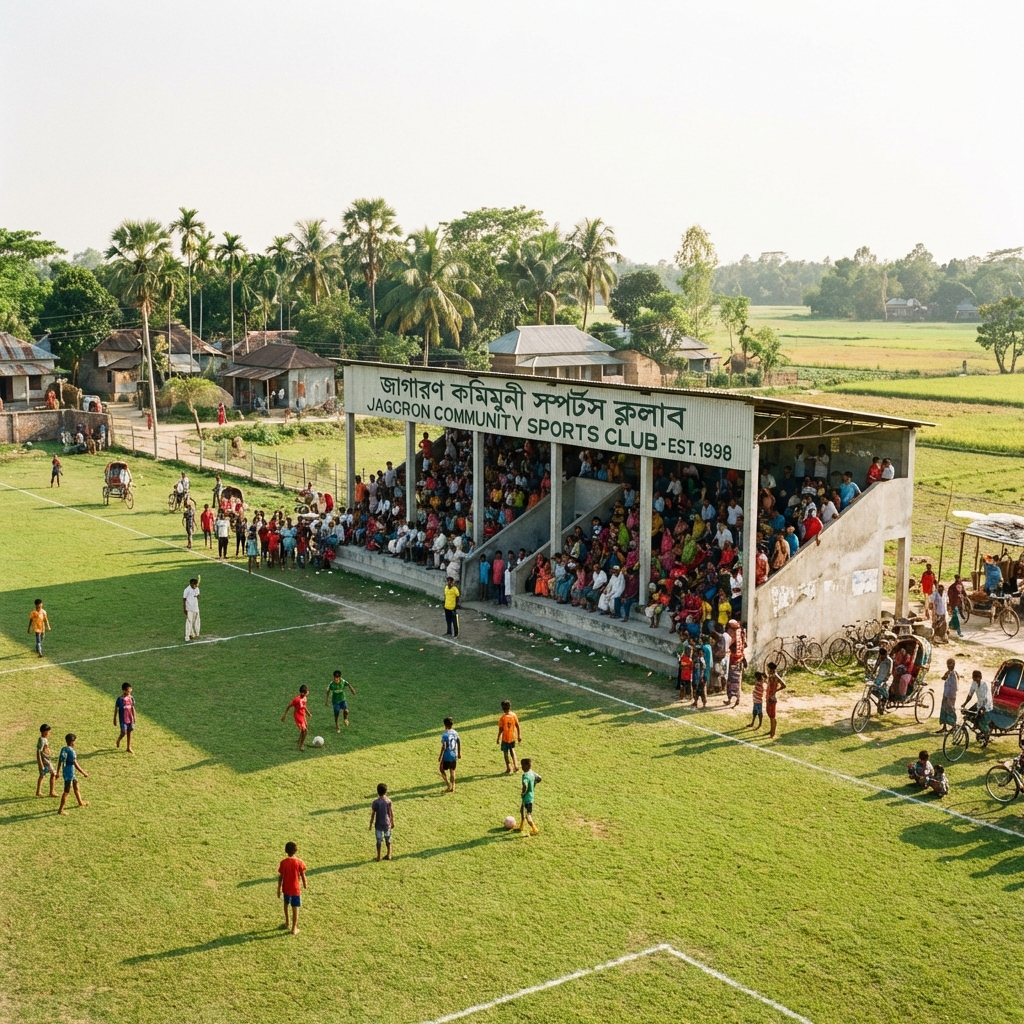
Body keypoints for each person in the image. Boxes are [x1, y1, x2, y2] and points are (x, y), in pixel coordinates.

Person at [277, 841, 307, 935]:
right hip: (295, 889)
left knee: (286, 904)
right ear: (296, 850)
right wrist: (305, 883)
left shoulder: (283, 863)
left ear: (286, 851)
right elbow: (302, 874)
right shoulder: (299, 862)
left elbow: (281, 876)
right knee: (295, 907)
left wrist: (279, 888)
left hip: (286, 888)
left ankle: (287, 922)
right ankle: (294, 928)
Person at [56, 733, 88, 815]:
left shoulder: (63, 749)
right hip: (70, 773)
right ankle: (60, 810)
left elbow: (60, 760)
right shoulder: (71, 752)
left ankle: (80, 802)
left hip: (66, 771)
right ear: (72, 742)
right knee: (66, 791)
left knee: (76, 785)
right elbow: (75, 763)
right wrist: (83, 772)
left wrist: (58, 771)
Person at [369, 783, 395, 862]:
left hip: (378, 825)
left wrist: (370, 824)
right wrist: (392, 822)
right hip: (387, 824)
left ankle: (378, 856)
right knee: (388, 839)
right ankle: (389, 854)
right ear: (386, 791)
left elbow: (373, 814)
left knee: (379, 841)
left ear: (377, 792)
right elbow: (391, 813)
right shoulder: (388, 801)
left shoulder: (376, 802)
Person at [282, 685, 311, 751]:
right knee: (305, 731)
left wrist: (308, 713)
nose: (308, 692)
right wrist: (284, 715)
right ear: (303, 693)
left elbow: (304, 706)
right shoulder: (296, 700)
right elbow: (289, 706)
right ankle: (301, 745)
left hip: (302, 714)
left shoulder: (305, 698)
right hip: (298, 716)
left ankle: (299, 740)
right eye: (307, 691)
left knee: (306, 726)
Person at [496, 700, 521, 773]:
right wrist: (519, 736)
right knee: (512, 750)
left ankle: (508, 768)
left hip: (505, 738)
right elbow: (517, 726)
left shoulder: (503, 718)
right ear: (510, 707)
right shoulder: (514, 715)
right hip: (512, 737)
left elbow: (501, 729)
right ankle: (515, 765)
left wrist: (498, 738)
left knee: (505, 753)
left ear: (502, 708)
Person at [519, 757, 541, 835]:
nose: (521, 767)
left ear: (526, 766)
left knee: (528, 815)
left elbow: (525, 785)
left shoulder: (525, 775)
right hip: (531, 796)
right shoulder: (532, 772)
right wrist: (533, 785)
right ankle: (521, 826)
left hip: (526, 798)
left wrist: (523, 793)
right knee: (522, 811)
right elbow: (539, 778)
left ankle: (535, 829)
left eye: (522, 765)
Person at [439, 716, 460, 792]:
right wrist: (459, 753)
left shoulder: (445, 735)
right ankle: (453, 786)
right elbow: (458, 742)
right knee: (452, 770)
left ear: (445, 725)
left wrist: (440, 756)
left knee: (441, 769)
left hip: (446, 756)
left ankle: (448, 785)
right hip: (454, 754)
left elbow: (444, 746)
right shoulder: (455, 732)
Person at [937, 658, 958, 735]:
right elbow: (943, 678)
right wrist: (946, 675)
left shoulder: (954, 674)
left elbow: (955, 687)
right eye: (948, 664)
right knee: (944, 710)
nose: (948, 666)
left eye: (950, 664)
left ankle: (954, 726)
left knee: (951, 711)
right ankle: (944, 727)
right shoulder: (949, 673)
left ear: (953, 665)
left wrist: (950, 696)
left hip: (950, 696)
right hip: (946, 694)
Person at [766, 662, 786, 740]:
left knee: (772, 716)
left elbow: (784, 685)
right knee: (770, 715)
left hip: (772, 698)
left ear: (770, 669)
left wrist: (775, 691)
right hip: (769, 697)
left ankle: (773, 733)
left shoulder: (775, 677)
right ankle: (771, 730)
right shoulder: (771, 676)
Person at [114, 682, 136, 753]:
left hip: (130, 718)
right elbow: (116, 709)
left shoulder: (131, 698)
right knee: (123, 732)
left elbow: (132, 708)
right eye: (128, 691)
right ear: (124, 691)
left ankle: (128, 747)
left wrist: (134, 717)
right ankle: (118, 740)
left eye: (130, 691)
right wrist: (114, 719)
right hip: (123, 719)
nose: (129, 692)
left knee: (129, 731)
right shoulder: (120, 700)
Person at [36, 724, 56, 798]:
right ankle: (52, 791)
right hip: (45, 761)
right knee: (53, 773)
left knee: (42, 775)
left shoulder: (45, 739)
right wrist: (40, 763)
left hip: (47, 759)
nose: (49, 733)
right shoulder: (41, 740)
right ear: (44, 732)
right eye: (48, 732)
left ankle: (38, 791)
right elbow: (38, 752)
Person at [183, 577, 201, 642]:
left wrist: (196, 596)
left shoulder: (197, 588)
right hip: (189, 609)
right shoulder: (186, 590)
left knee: (196, 621)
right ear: (191, 584)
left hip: (196, 608)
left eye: (196, 584)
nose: (196, 586)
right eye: (194, 585)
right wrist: (185, 609)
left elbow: (198, 595)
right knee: (189, 622)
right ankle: (187, 636)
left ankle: (196, 633)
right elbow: (184, 599)